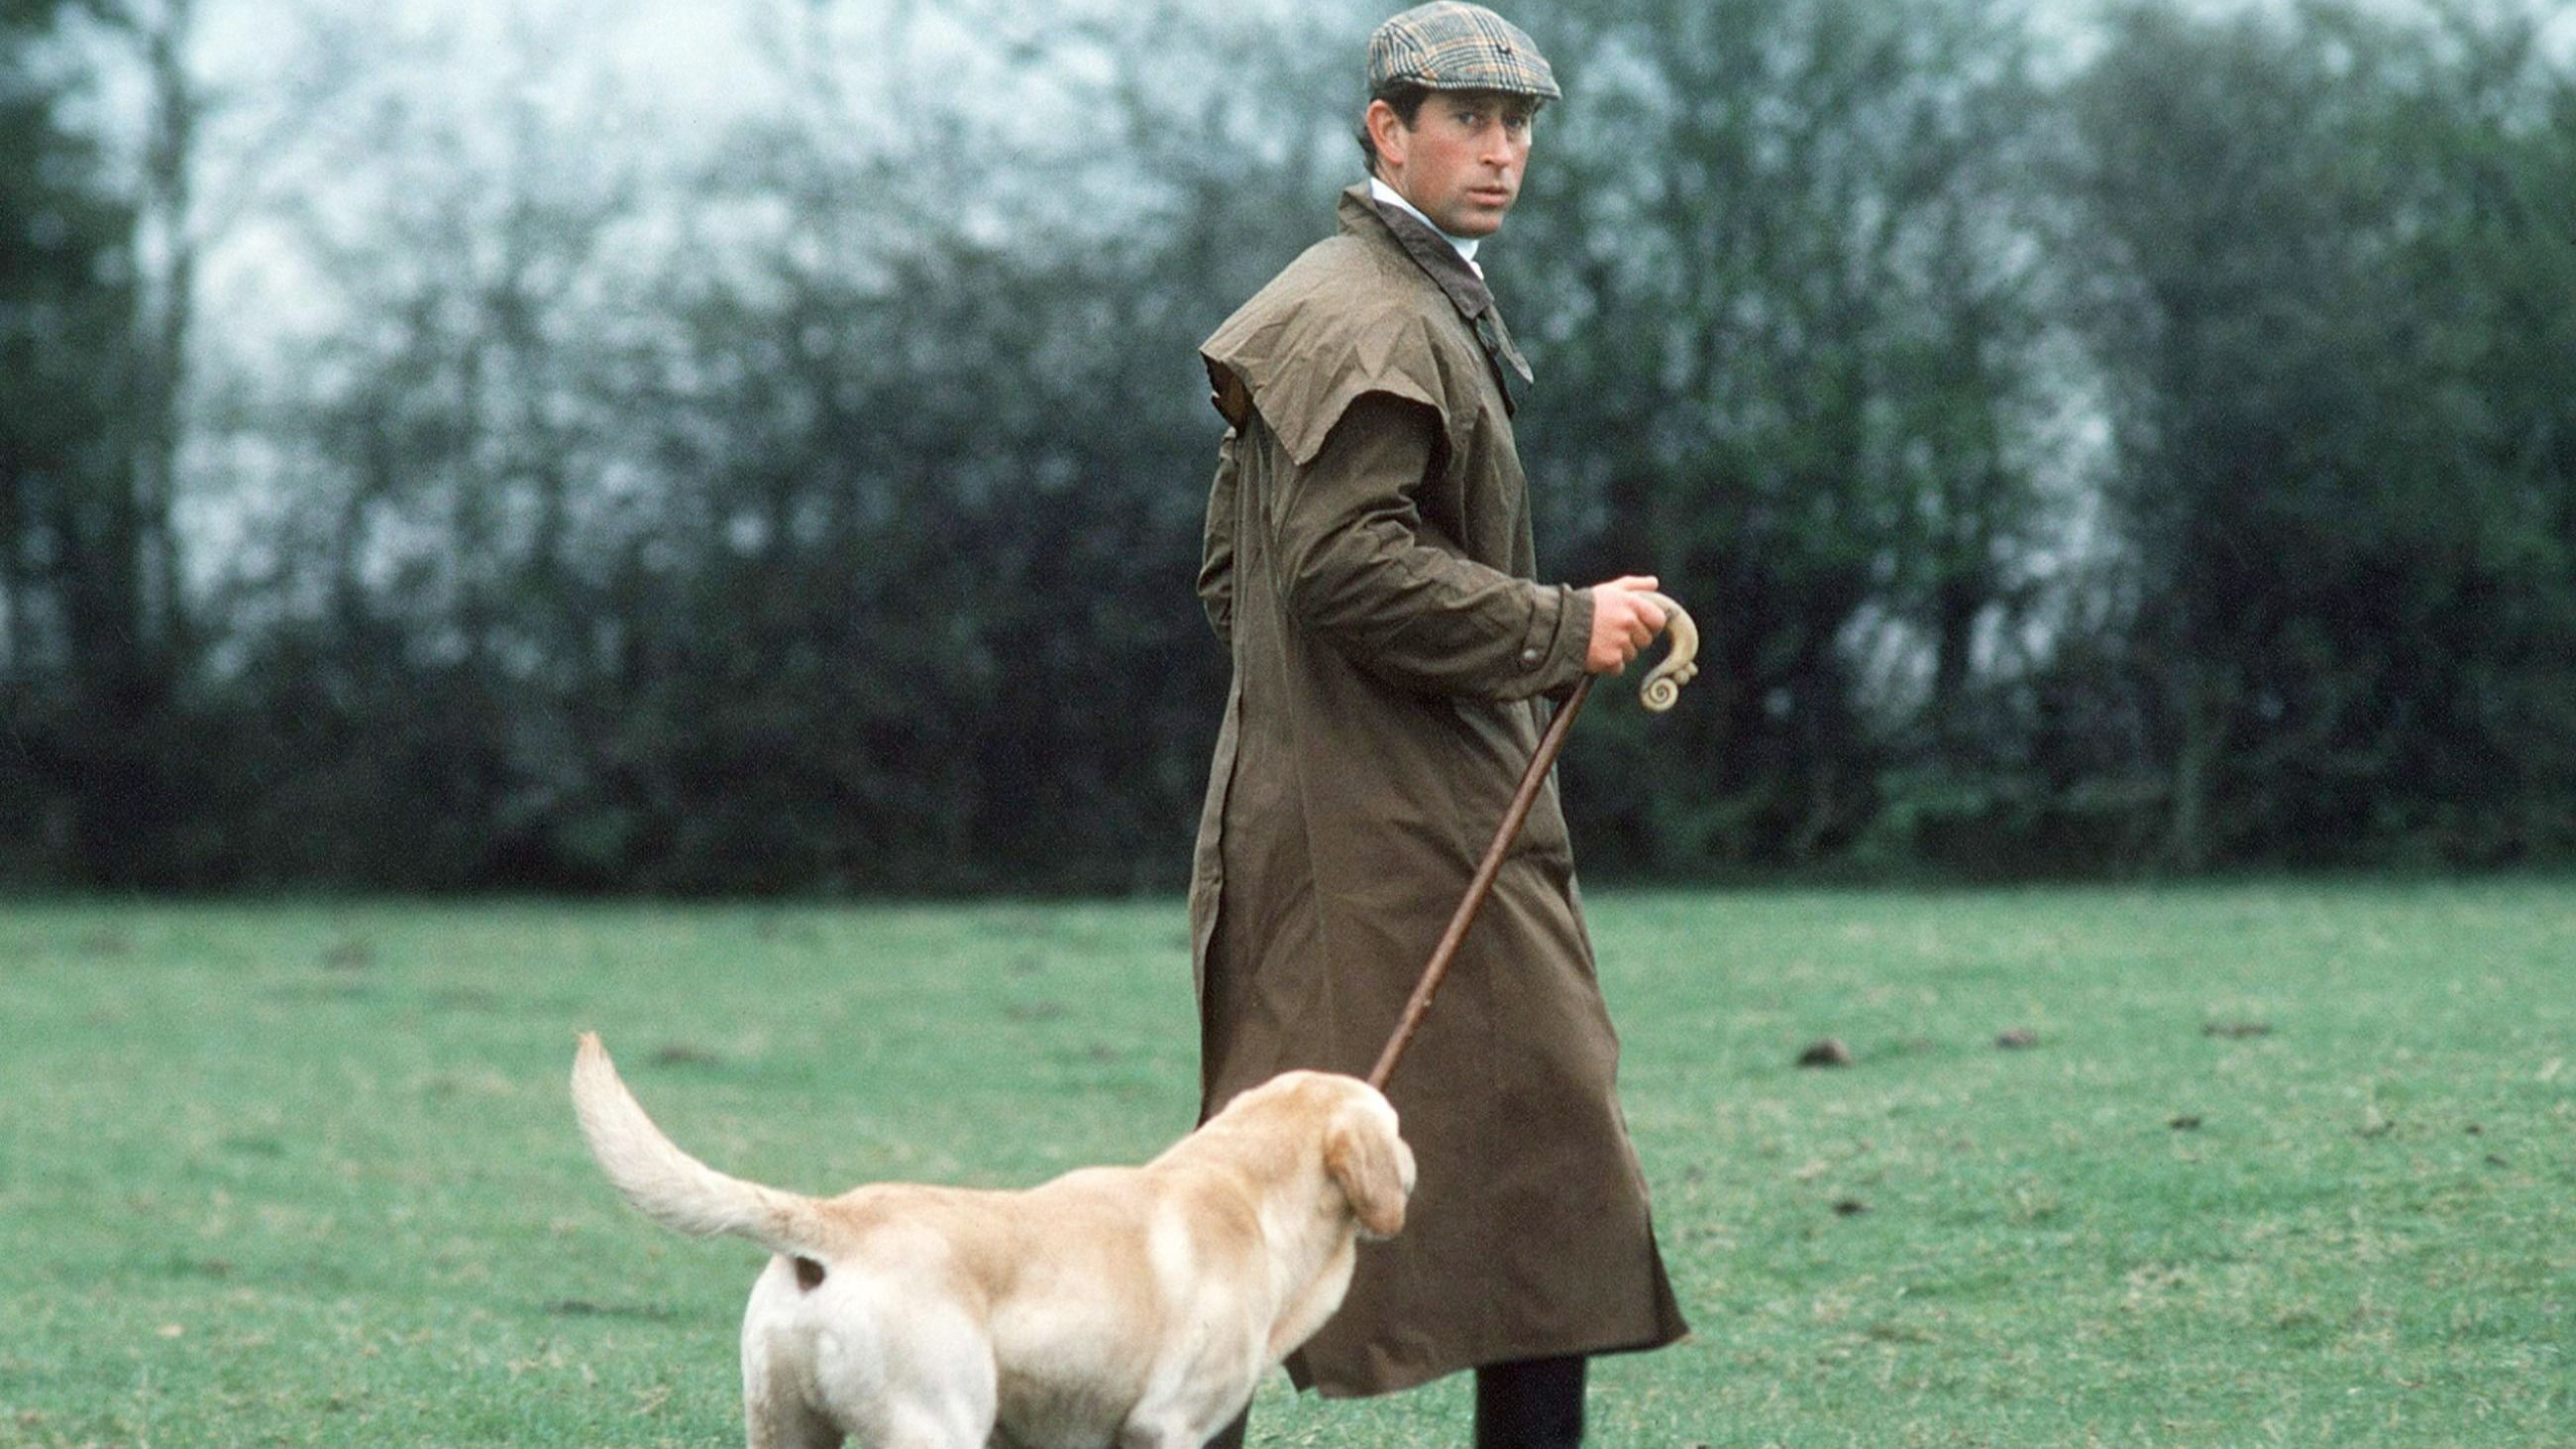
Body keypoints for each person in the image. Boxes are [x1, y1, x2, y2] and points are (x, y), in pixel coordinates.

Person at [1186, 4, 1689, 1444]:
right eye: (1464, 117)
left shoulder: (1364, 295)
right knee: (1545, 1178)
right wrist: (1556, 625)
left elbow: (1237, 579)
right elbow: (1345, 569)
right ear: (1383, 131)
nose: (1500, 148)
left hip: (1342, 818)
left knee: (1306, 1191)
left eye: (1518, 122)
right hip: (1399, 841)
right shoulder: (1374, 315)